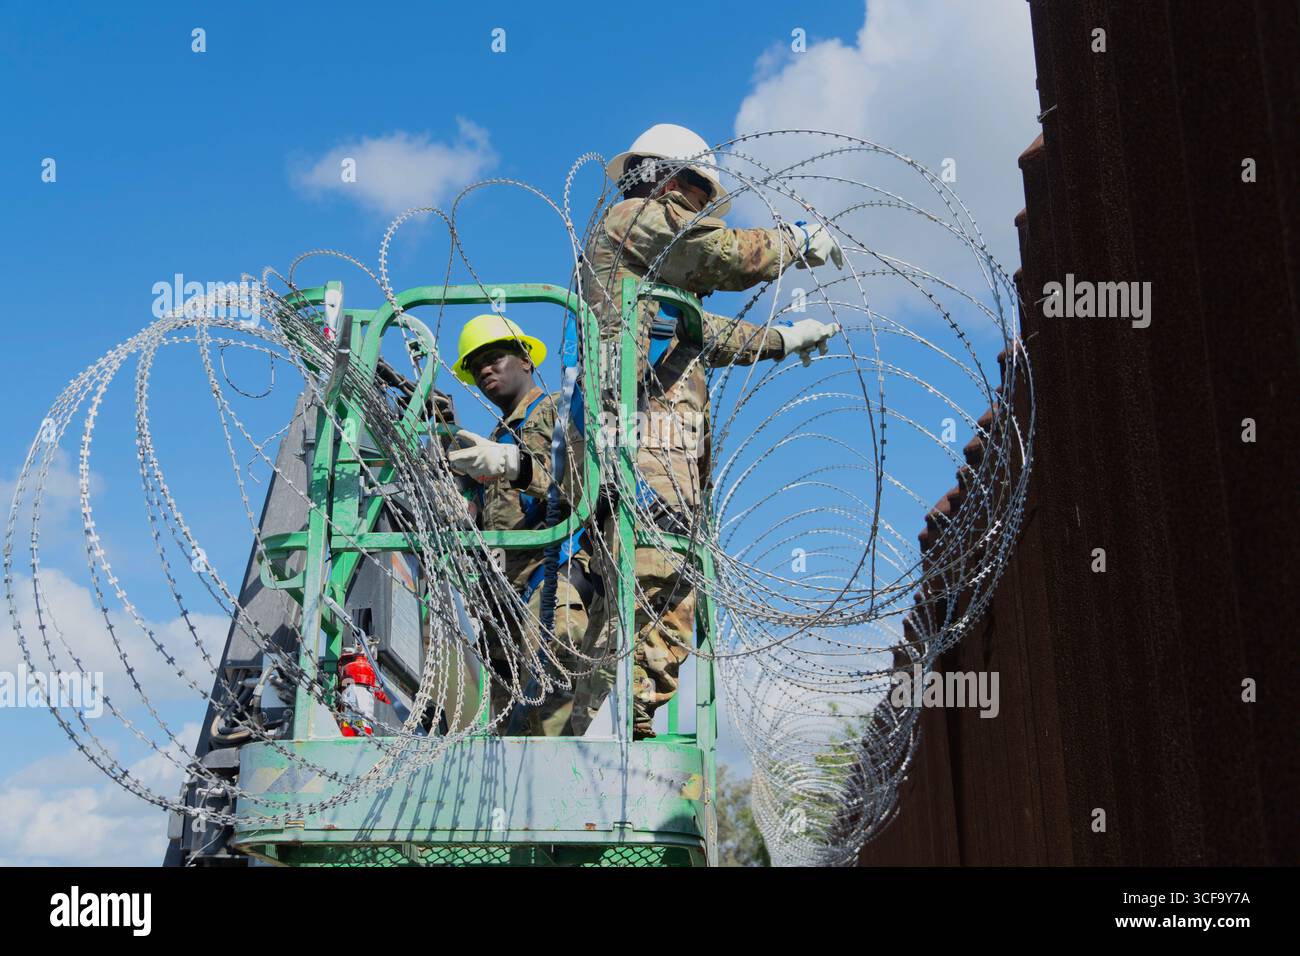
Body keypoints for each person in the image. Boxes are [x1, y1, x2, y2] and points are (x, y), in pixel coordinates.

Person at [568, 123, 842, 739]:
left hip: (652, 438)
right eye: (699, 196)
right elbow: (720, 254)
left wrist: (781, 339)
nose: (703, 211)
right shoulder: (636, 219)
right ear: (671, 181)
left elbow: (698, 335)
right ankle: (606, 723)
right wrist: (796, 241)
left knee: (663, 580)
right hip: (639, 434)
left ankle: (625, 719)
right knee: (654, 571)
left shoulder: (651, 281)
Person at [446, 313, 593, 736]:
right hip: (505, 595)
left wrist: (516, 465)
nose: (485, 371)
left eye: (494, 358)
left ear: (526, 360)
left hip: (553, 575)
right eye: (476, 367)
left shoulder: (558, 412)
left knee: (551, 711)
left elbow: (580, 486)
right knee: (509, 732)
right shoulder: (497, 436)